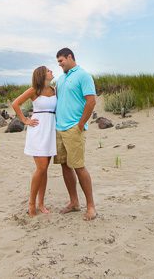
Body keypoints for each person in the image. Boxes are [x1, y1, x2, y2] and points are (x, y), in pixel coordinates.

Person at [53, 47, 97, 220]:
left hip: (74, 128)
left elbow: (91, 101)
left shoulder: (83, 75)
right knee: (65, 165)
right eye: (58, 62)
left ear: (70, 57)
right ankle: (74, 202)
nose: (59, 64)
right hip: (59, 128)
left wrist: (81, 124)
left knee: (79, 166)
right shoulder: (61, 79)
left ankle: (91, 207)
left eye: (61, 60)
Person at [11, 66, 57, 217]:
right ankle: (31, 203)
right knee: (41, 168)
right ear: (42, 75)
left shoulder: (54, 90)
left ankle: (41, 203)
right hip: (38, 131)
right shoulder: (34, 90)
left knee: (45, 169)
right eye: (48, 70)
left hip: (50, 131)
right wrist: (25, 120)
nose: (51, 71)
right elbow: (15, 103)